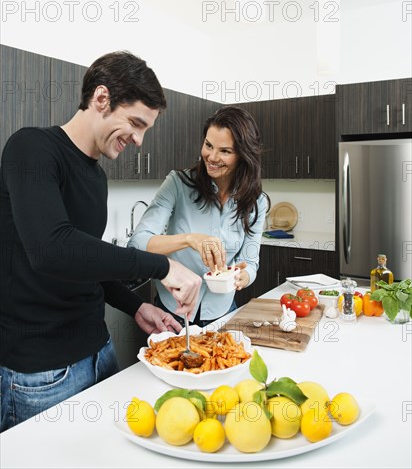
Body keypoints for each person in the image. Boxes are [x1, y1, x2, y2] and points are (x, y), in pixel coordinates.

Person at [0, 51, 202, 432]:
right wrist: (163, 265)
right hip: (42, 373)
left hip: (100, 352)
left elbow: (84, 262)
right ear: (102, 98)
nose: (140, 141)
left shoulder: (96, 177)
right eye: (136, 123)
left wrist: (134, 305)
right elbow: (52, 249)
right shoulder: (31, 149)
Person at [128, 105, 269, 327]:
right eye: (208, 145)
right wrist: (190, 239)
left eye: (225, 151)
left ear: (243, 156)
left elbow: (250, 262)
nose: (211, 157)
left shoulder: (256, 202)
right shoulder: (177, 184)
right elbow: (137, 243)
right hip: (173, 311)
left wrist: (244, 276)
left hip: (223, 312)